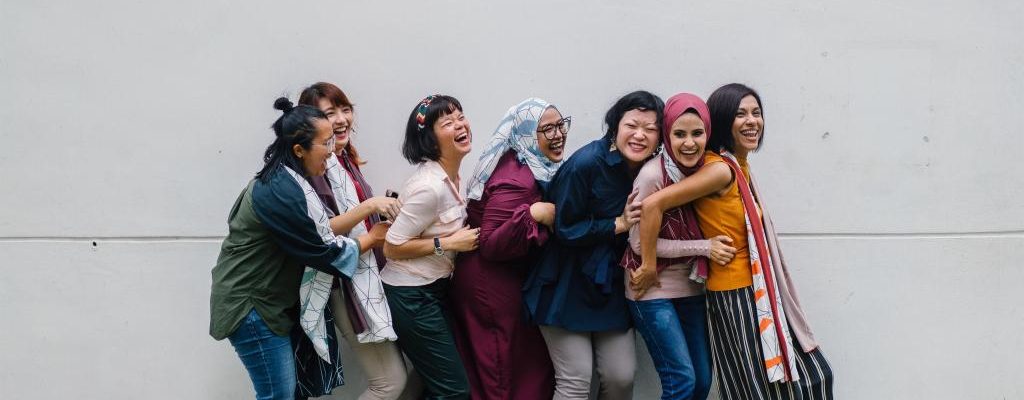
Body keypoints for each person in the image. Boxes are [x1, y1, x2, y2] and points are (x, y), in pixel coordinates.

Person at [635, 83, 834, 399]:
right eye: (741, 114)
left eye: (756, 112)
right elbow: (652, 205)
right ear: (723, 121)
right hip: (737, 292)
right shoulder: (720, 170)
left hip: (751, 289)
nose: (752, 121)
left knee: (774, 383)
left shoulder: (737, 164)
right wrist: (647, 265)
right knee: (770, 384)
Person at [210, 97, 382, 400]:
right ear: (299, 150)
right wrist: (374, 237)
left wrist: (368, 213)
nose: (331, 152)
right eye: (325, 144)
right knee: (279, 395)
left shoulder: (290, 180)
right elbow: (324, 252)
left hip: (268, 304)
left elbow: (319, 232)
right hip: (252, 307)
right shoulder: (280, 191)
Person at [523, 90, 664, 400]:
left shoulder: (652, 170)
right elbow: (564, 228)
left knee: (621, 377)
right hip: (565, 283)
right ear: (615, 127)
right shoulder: (586, 163)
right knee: (575, 381)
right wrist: (617, 224)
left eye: (650, 129)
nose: (640, 135)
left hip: (609, 286)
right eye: (632, 125)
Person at [296, 82, 413, 400]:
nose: (341, 119)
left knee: (416, 372)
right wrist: (370, 208)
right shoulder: (316, 166)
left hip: (366, 279)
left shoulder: (344, 160)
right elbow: (318, 232)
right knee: (389, 383)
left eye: (345, 109)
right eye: (329, 113)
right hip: (343, 286)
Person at [621, 93, 736, 400]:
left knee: (702, 381)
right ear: (667, 135)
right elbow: (637, 243)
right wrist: (704, 247)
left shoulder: (705, 172)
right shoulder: (652, 176)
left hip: (691, 286)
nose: (689, 143)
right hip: (650, 288)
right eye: (679, 134)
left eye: (697, 133)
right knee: (681, 381)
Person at [451, 98, 566, 399]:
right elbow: (490, 243)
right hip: (490, 284)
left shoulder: (528, 161)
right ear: (526, 133)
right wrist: (534, 213)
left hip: (498, 278)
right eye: (547, 129)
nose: (557, 134)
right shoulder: (517, 179)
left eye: (560, 125)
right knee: (502, 370)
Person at [382, 95, 480, 400]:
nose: (460, 125)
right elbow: (392, 246)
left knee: (435, 384)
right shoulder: (430, 187)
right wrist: (448, 243)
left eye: (460, 117)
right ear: (429, 139)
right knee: (454, 392)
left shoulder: (452, 177)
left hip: (434, 290)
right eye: (448, 123)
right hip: (411, 295)